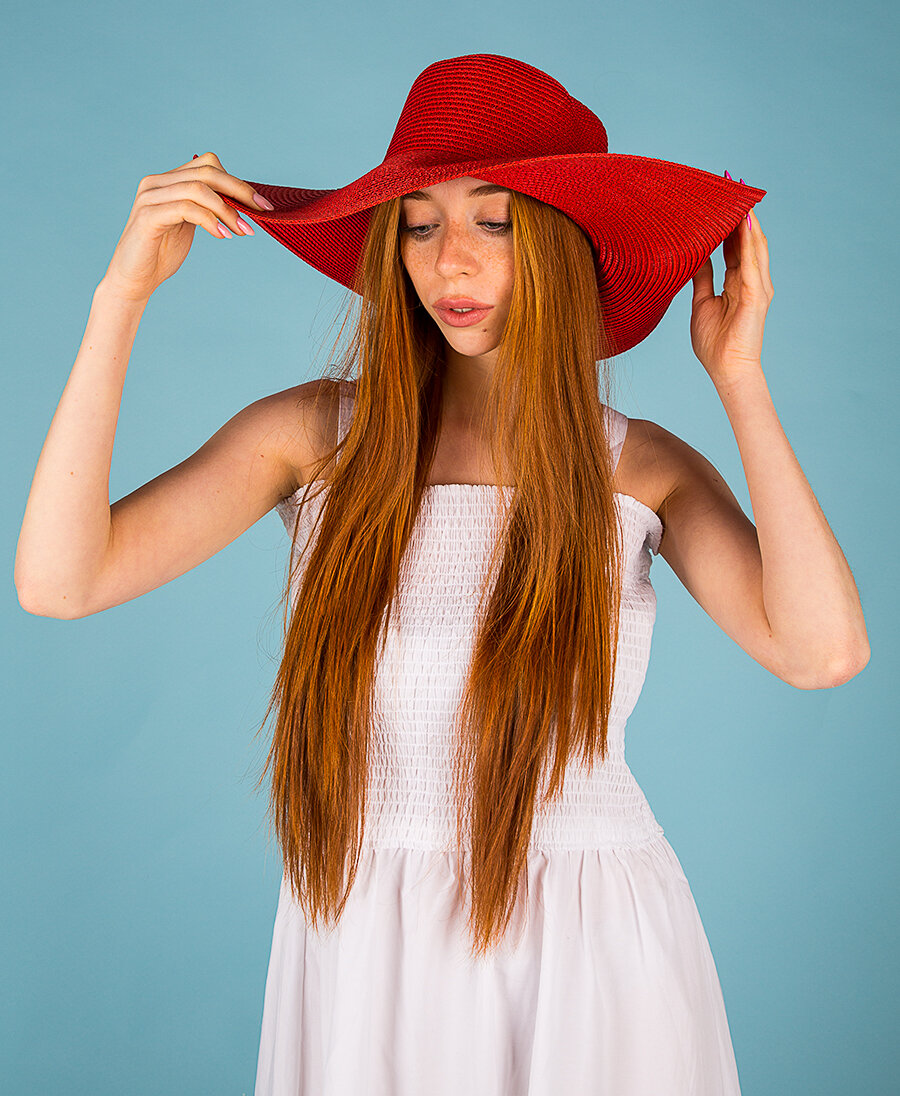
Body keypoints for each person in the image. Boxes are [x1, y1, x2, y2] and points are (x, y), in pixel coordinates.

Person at [14, 54, 869, 1095]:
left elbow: (823, 651)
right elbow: (61, 582)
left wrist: (739, 380)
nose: (449, 263)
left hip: (588, 952)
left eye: (492, 223)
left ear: (558, 243)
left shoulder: (637, 466)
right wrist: (119, 300)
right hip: (362, 938)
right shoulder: (316, 437)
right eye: (419, 226)